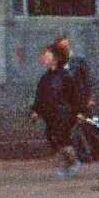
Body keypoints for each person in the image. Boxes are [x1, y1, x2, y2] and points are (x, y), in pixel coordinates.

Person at [33, 40, 91, 175]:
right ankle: (67, 163)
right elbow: (40, 95)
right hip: (50, 114)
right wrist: (36, 111)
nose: (44, 57)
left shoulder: (66, 76)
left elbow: (75, 95)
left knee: (62, 138)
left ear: (56, 58)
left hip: (64, 114)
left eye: (47, 55)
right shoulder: (45, 77)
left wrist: (80, 111)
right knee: (53, 139)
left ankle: (72, 162)